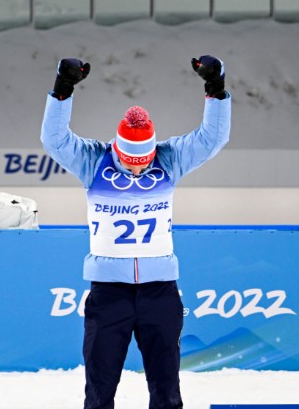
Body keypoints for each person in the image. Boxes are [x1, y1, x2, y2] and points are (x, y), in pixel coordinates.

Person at [40, 55, 231, 409]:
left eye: (143, 163)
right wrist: (62, 90)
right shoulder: (93, 161)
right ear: (117, 148)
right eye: (129, 161)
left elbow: (212, 139)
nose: (136, 169)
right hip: (109, 292)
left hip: (160, 292)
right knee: (99, 389)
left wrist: (215, 88)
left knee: (166, 389)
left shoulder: (168, 160)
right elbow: (54, 140)